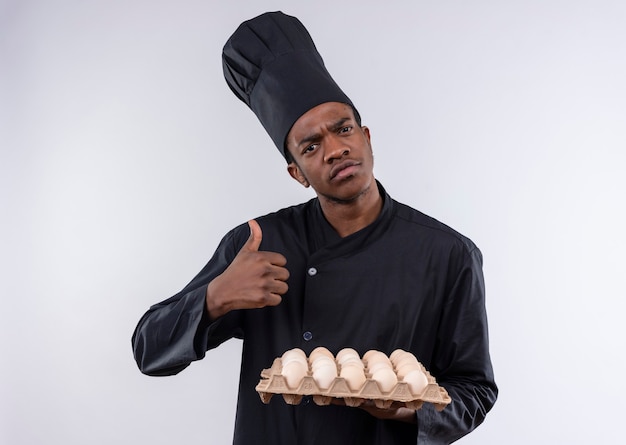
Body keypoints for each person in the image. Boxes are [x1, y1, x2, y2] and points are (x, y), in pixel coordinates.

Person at [132, 11, 497, 445]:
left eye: (343, 130)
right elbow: (148, 351)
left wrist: (410, 410)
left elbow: (475, 390)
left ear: (366, 137)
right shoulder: (257, 244)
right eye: (311, 145)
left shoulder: (446, 254)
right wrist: (215, 298)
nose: (335, 150)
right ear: (297, 172)